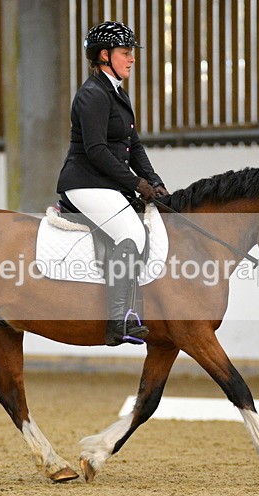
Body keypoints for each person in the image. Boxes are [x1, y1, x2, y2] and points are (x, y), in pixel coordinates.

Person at [56, 21, 169, 346]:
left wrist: (155, 182)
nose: (132, 58)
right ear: (104, 55)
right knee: (131, 232)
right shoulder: (92, 95)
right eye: (125, 52)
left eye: (131, 52)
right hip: (85, 182)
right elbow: (96, 150)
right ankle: (118, 321)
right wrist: (136, 183)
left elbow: (134, 145)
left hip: (105, 183)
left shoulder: (117, 93)